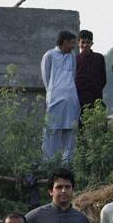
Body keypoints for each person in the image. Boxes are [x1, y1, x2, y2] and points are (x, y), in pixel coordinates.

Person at [41, 31, 80, 163]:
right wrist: (53, 94)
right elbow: (46, 79)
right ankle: (49, 164)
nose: (74, 46)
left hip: (71, 99)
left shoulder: (72, 56)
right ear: (64, 42)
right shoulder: (49, 55)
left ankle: (67, 164)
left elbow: (73, 75)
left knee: (70, 132)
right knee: (51, 132)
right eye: (72, 43)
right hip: (55, 100)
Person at [75, 29, 107, 120]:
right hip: (79, 99)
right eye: (83, 42)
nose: (85, 45)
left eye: (88, 42)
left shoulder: (99, 58)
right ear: (78, 43)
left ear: (92, 43)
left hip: (96, 97)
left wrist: (96, 88)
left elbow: (103, 79)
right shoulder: (75, 59)